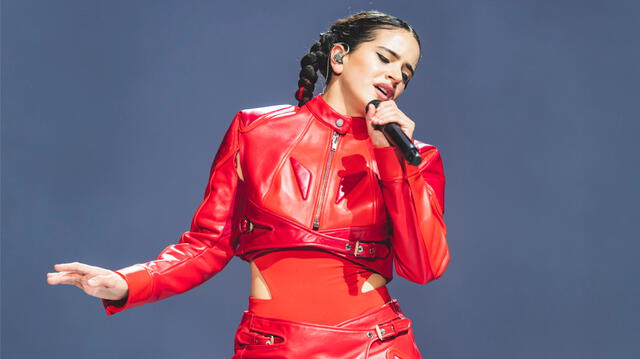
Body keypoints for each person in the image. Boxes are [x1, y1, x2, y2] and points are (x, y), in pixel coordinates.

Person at [47, 10, 449, 358]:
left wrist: (397, 163)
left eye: (406, 72)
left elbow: (424, 267)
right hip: (272, 345)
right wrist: (127, 282)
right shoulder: (256, 130)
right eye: (385, 58)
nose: (395, 75)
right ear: (340, 56)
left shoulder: (414, 156)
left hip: (374, 346)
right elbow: (208, 244)